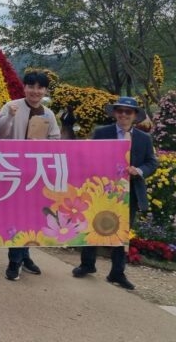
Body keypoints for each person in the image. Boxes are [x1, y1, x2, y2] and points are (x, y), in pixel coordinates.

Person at [72, 96, 158, 290]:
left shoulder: (144, 139)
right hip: (102, 189)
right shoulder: (102, 133)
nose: (123, 115)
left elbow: (152, 162)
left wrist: (139, 170)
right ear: (114, 113)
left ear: (135, 115)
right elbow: (88, 156)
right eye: (120, 111)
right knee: (93, 225)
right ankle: (87, 264)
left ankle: (117, 273)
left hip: (129, 192)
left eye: (128, 112)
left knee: (121, 232)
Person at [0, 71, 60, 281]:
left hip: (36, 174)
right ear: (24, 88)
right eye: (31, 86)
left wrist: (43, 146)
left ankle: (24, 257)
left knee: (29, 216)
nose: (35, 91)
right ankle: (15, 262)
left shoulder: (48, 114)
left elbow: (55, 141)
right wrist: (9, 117)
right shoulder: (11, 106)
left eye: (40, 87)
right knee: (17, 216)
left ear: (45, 91)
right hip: (13, 172)